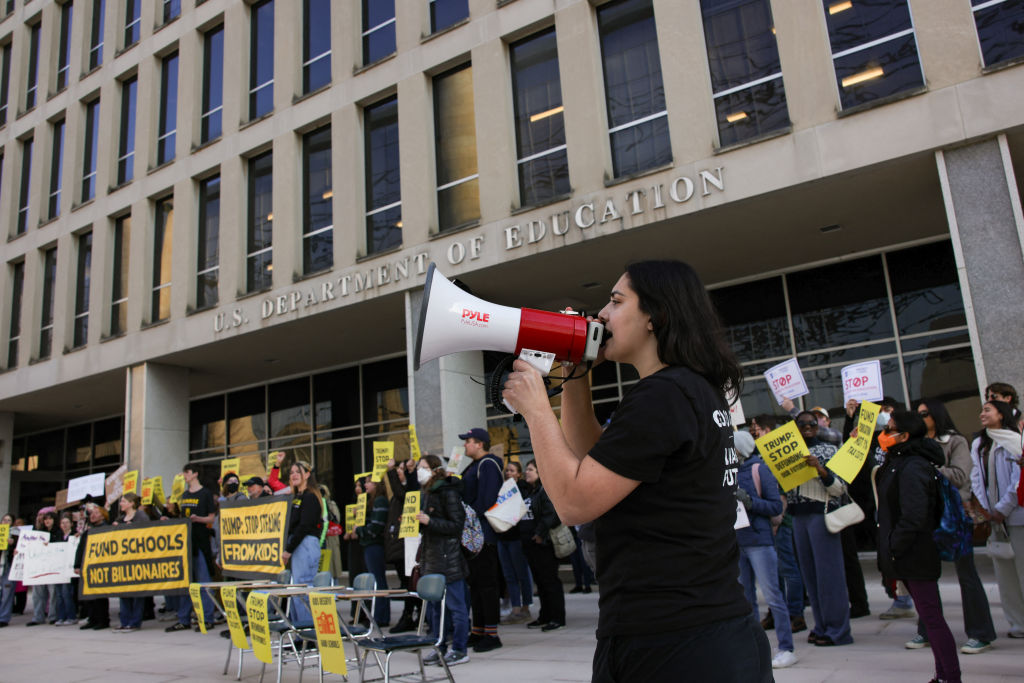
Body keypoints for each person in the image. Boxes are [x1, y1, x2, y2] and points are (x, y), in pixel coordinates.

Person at [501, 260, 771, 682]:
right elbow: (592, 466)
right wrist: (576, 378)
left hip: (671, 643)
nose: (602, 315)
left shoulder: (661, 395)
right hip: (702, 633)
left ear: (654, 317)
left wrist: (536, 409)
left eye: (615, 301)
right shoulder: (690, 388)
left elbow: (574, 502)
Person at [905, 398, 997, 654]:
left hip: (954, 514)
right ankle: (927, 630)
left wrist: (926, 468)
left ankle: (980, 633)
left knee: (966, 575)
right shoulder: (915, 445)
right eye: (918, 414)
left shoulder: (956, 441)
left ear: (936, 415)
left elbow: (959, 475)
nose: (921, 418)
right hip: (926, 516)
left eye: (925, 414)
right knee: (924, 576)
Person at [876, 410, 962, 683]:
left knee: (932, 618)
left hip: (915, 551)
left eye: (890, 429)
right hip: (905, 551)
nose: (884, 433)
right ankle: (942, 675)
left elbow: (914, 515)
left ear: (905, 435)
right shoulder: (898, 461)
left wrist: (894, 546)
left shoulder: (912, 465)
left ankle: (950, 676)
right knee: (929, 617)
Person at [734, 430, 798, 669]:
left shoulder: (759, 469)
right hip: (738, 542)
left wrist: (749, 501)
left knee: (773, 596)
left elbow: (774, 506)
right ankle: (752, 649)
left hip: (759, 542)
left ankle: (786, 647)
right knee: (746, 600)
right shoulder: (728, 473)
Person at [789, 411, 853, 647]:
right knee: (810, 577)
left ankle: (838, 630)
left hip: (820, 514)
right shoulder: (788, 453)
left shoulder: (829, 450)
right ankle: (821, 625)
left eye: (812, 424)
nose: (807, 427)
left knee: (829, 576)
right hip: (797, 516)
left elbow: (839, 488)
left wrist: (822, 471)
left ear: (818, 427)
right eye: (802, 424)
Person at [969, 400, 1024, 638]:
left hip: (1016, 515)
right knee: (1005, 574)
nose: (982, 414)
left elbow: (1018, 480)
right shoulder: (979, 443)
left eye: (987, 410)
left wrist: (1002, 508)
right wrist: (985, 508)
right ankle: (1017, 623)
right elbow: (975, 476)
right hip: (992, 518)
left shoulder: (1015, 440)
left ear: (1001, 415)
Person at [751, 414, 806, 633]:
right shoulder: (760, 456)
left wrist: (776, 521)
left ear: (767, 430)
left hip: (782, 522)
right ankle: (777, 612)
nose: (754, 433)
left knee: (788, 569)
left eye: (757, 429)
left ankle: (795, 613)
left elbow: (782, 492)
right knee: (774, 572)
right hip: (770, 521)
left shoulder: (776, 456)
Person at [416, 455, 471, 668]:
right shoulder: (427, 493)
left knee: (456, 607)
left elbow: (457, 525)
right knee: (436, 610)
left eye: (423, 467)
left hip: (448, 559)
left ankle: (459, 649)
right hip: (432, 558)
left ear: (435, 469)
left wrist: (431, 521)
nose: (420, 471)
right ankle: (440, 646)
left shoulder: (448, 492)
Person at [458, 427, 505, 652]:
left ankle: (491, 633)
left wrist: (466, 515)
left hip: (483, 534)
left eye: (468, 441)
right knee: (475, 584)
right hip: (473, 534)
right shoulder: (474, 466)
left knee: (487, 584)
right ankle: (478, 630)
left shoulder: (488, 465)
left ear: (480, 444)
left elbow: (487, 500)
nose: (465, 445)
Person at [166, 463, 216, 633]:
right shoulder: (185, 495)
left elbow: (211, 518)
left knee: (203, 581)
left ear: (195, 474)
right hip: (186, 543)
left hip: (201, 541)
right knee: (186, 583)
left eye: (187, 472)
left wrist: (197, 519)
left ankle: (207, 618)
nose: (184, 475)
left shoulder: (205, 494)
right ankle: (184, 618)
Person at [519, 460, 566, 632]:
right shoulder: (530, 491)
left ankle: (557, 617)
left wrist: (540, 533)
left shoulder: (545, 490)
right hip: (530, 543)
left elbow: (551, 514)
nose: (527, 472)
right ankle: (545, 615)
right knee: (540, 581)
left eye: (530, 469)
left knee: (549, 580)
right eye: (526, 469)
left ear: (540, 472)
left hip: (543, 543)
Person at [282, 461, 326, 626]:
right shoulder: (296, 497)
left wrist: (288, 550)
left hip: (305, 544)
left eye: (297, 472)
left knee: (303, 588)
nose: (293, 475)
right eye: (291, 472)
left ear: (307, 474)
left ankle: (309, 632)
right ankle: (300, 631)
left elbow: (304, 525)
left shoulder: (310, 497)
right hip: (297, 544)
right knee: (296, 590)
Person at [496, 460, 534, 625]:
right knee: (509, 575)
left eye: (512, 471)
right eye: (507, 471)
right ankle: (515, 608)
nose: (508, 473)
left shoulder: (523, 489)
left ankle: (525, 607)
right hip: (503, 537)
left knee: (522, 573)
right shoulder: (502, 489)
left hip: (517, 537)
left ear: (519, 474)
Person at [385, 458, 420, 633]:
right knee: (407, 583)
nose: (398, 471)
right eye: (397, 469)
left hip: (407, 544)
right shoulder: (398, 494)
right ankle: (416, 616)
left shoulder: (409, 489)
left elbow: (403, 495)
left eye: (401, 469)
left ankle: (410, 616)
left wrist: (391, 471)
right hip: (398, 544)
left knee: (410, 583)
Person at [112, 493, 149, 632]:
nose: (121, 504)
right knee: (124, 591)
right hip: (123, 561)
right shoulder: (120, 518)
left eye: (123, 501)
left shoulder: (141, 517)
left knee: (137, 592)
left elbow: (147, 533)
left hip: (137, 560)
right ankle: (125, 620)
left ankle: (135, 621)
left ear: (131, 503)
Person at [356, 476, 390, 626]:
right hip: (370, 544)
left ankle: (381, 616)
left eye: (369, 481)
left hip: (375, 544)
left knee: (378, 581)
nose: (365, 484)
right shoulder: (372, 501)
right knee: (376, 580)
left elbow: (376, 526)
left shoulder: (380, 501)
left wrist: (361, 530)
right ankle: (379, 615)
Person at [74, 503, 111, 630]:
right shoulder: (88, 531)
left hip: (100, 566)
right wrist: (77, 564)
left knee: (100, 595)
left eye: (96, 513)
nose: (93, 516)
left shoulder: (106, 529)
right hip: (87, 566)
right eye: (92, 514)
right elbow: (80, 548)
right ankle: (92, 618)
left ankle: (103, 620)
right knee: (89, 596)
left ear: (103, 516)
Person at [25, 511, 60, 626]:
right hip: (39, 567)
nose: (47, 521)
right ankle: (38, 617)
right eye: (45, 519)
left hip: (53, 567)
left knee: (53, 593)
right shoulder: (39, 533)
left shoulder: (58, 533)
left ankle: (53, 616)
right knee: (37, 594)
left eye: (49, 519)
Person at [0, 514, 15, 627]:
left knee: (7, 592)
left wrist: (12, 544)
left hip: (8, 565)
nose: (6, 522)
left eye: (9, 520)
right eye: (4, 520)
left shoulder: (16, 534)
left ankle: (4, 618)